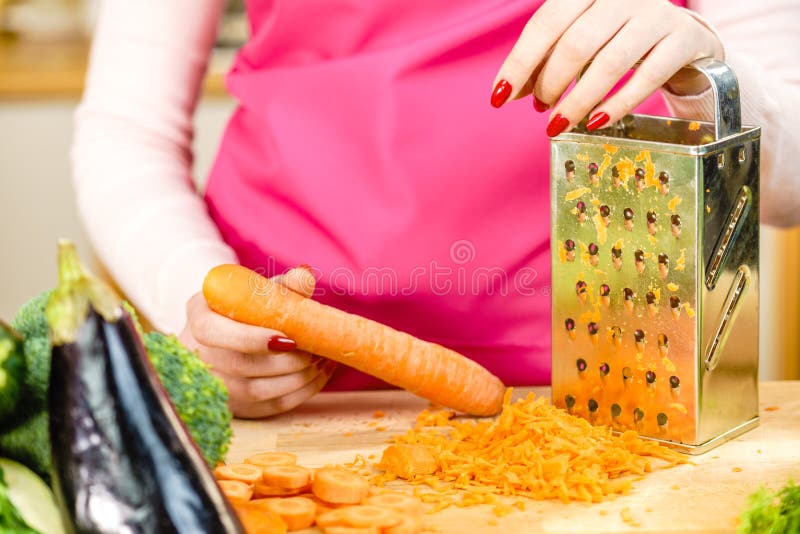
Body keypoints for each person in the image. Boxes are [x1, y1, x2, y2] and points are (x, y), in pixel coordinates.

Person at [72, 0, 800, 418]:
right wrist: (193, 301)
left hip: (623, 398)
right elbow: (123, 133)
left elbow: (789, 188)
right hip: (288, 389)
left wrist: (710, 79)